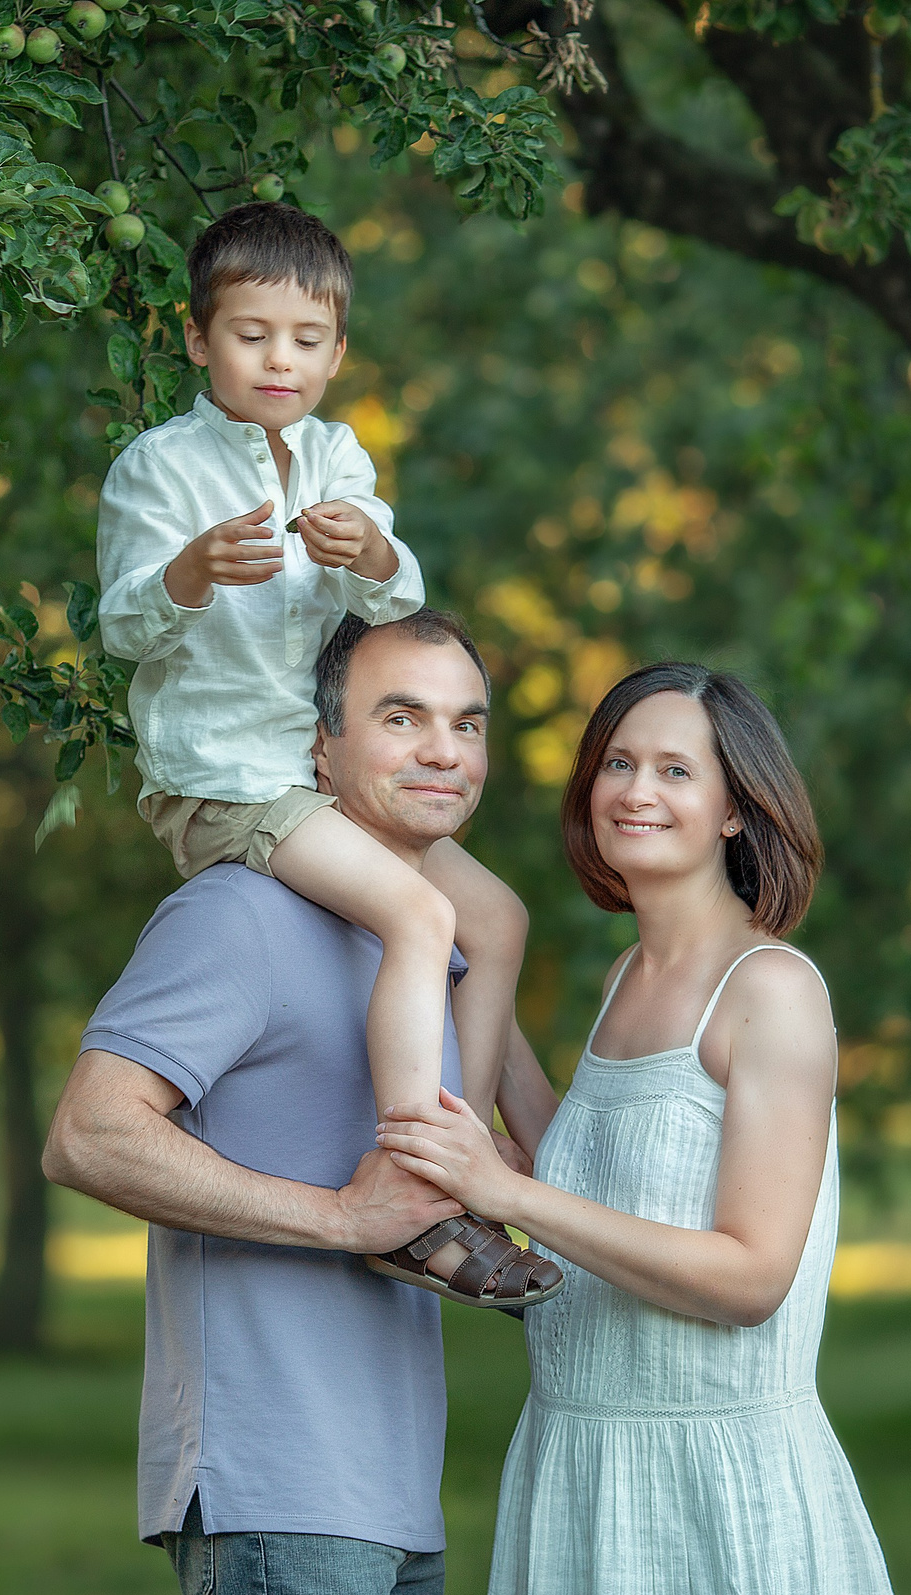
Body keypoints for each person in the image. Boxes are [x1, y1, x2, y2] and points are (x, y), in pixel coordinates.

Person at [42, 612, 565, 1595]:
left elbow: (536, 1150)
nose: (443, 750)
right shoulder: (237, 913)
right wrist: (339, 1217)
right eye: (400, 717)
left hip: (391, 1489)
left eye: (467, 724)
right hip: (277, 1484)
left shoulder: (424, 952)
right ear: (317, 747)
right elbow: (89, 1132)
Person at [377, 663, 911, 1595]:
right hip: (583, 1481)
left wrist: (507, 1194)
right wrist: (449, 943)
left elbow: (750, 1276)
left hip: (716, 1502)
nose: (637, 789)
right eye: (619, 763)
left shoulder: (770, 991)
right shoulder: (628, 980)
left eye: (676, 769)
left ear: (733, 810)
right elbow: (575, 1173)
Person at [96, 200, 547, 1308]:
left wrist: (377, 552)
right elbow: (119, 627)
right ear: (199, 338)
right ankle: (409, 1182)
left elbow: (397, 605)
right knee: (419, 916)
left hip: (311, 778)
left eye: (305, 341)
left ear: (338, 351)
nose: (279, 360)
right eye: (251, 335)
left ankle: (466, 1169)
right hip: (226, 781)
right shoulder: (156, 471)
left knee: (495, 918)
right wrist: (191, 573)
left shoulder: (338, 455)